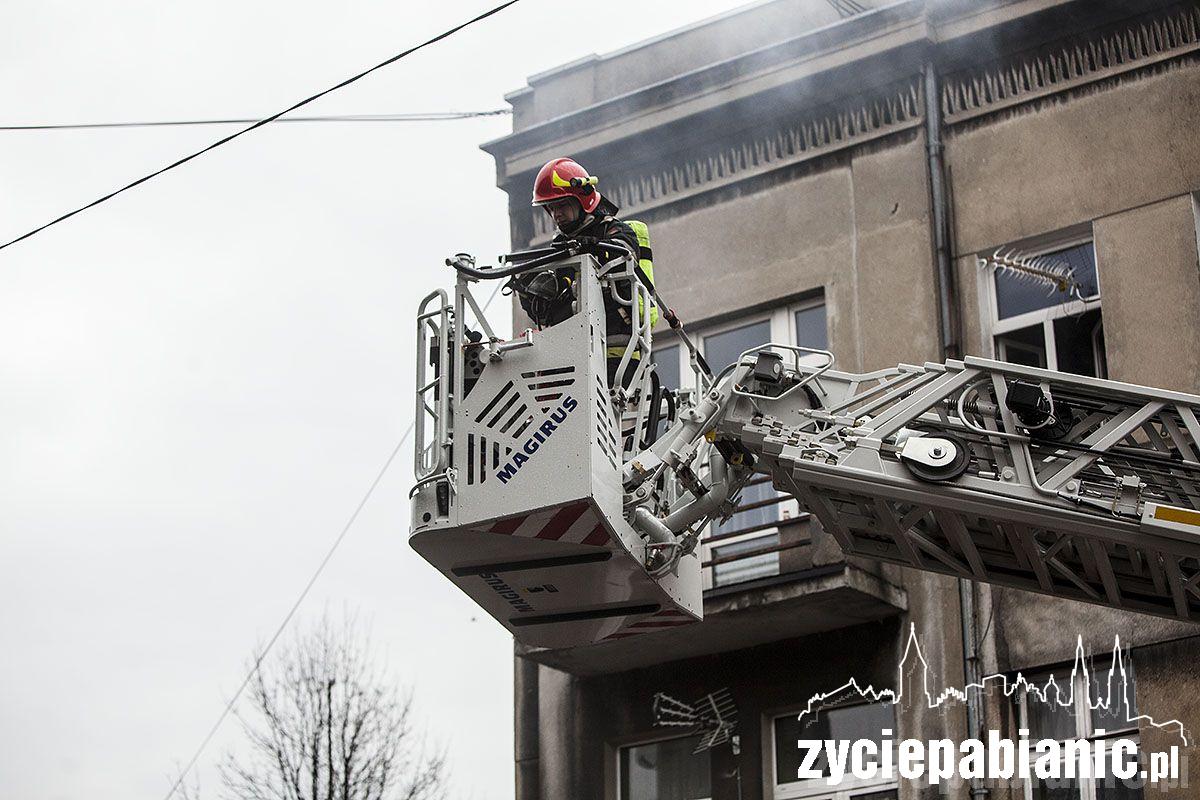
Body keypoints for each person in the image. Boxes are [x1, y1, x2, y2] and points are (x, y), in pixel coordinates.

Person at [521, 157, 656, 387]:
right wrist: (532, 291)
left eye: (562, 205)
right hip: (574, 357)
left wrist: (592, 246)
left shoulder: (613, 231)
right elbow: (550, 311)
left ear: (582, 200)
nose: (556, 214)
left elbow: (623, 251)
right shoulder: (559, 249)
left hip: (617, 354)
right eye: (551, 208)